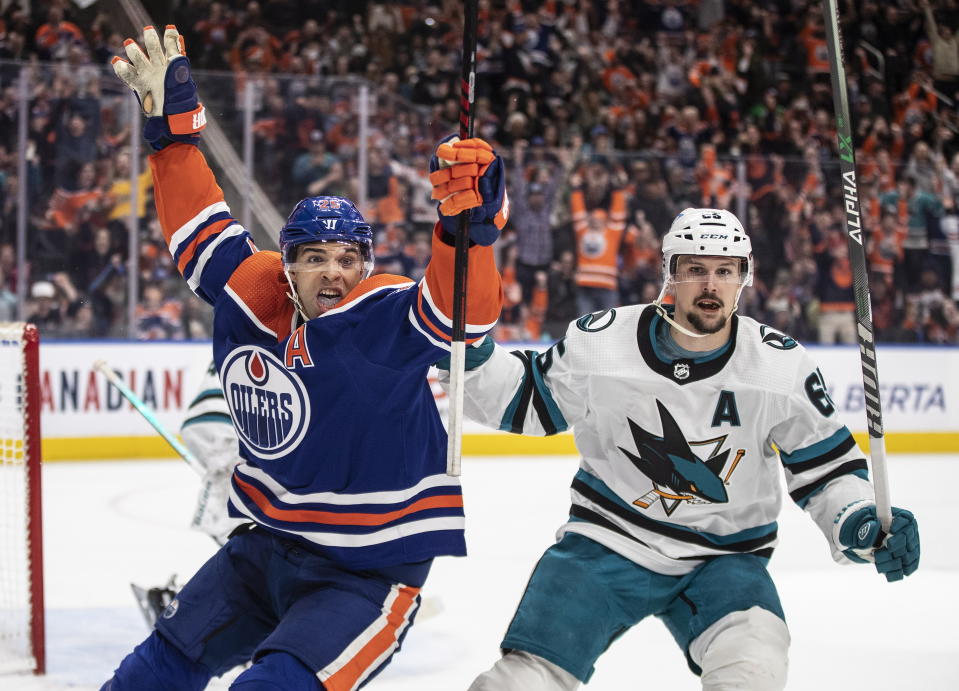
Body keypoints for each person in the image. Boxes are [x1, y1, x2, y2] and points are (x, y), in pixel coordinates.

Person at [105, 25, 507, 689]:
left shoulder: (381, 317)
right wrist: (171, 132)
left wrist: (470, 228)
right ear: (286, 264)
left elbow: (462, 312)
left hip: (367, 571)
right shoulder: (248, 287)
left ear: (366, 265)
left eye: (348, 258)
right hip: (261, 549)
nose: (332, 273)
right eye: (312, 257)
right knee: (146, 676)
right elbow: (194, 223)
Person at [441, 208, 920, 690]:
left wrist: (860, 517)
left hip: (725, 559)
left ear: (743, 278)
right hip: (609, 541)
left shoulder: (780, 367)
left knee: (754, 673)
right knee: (521, 682)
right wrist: (472, 353)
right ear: (670, 273)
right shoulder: (603, 343)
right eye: (695, 269)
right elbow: (527, 400)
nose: (710, 285)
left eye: (725, 271)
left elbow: (826, 471)